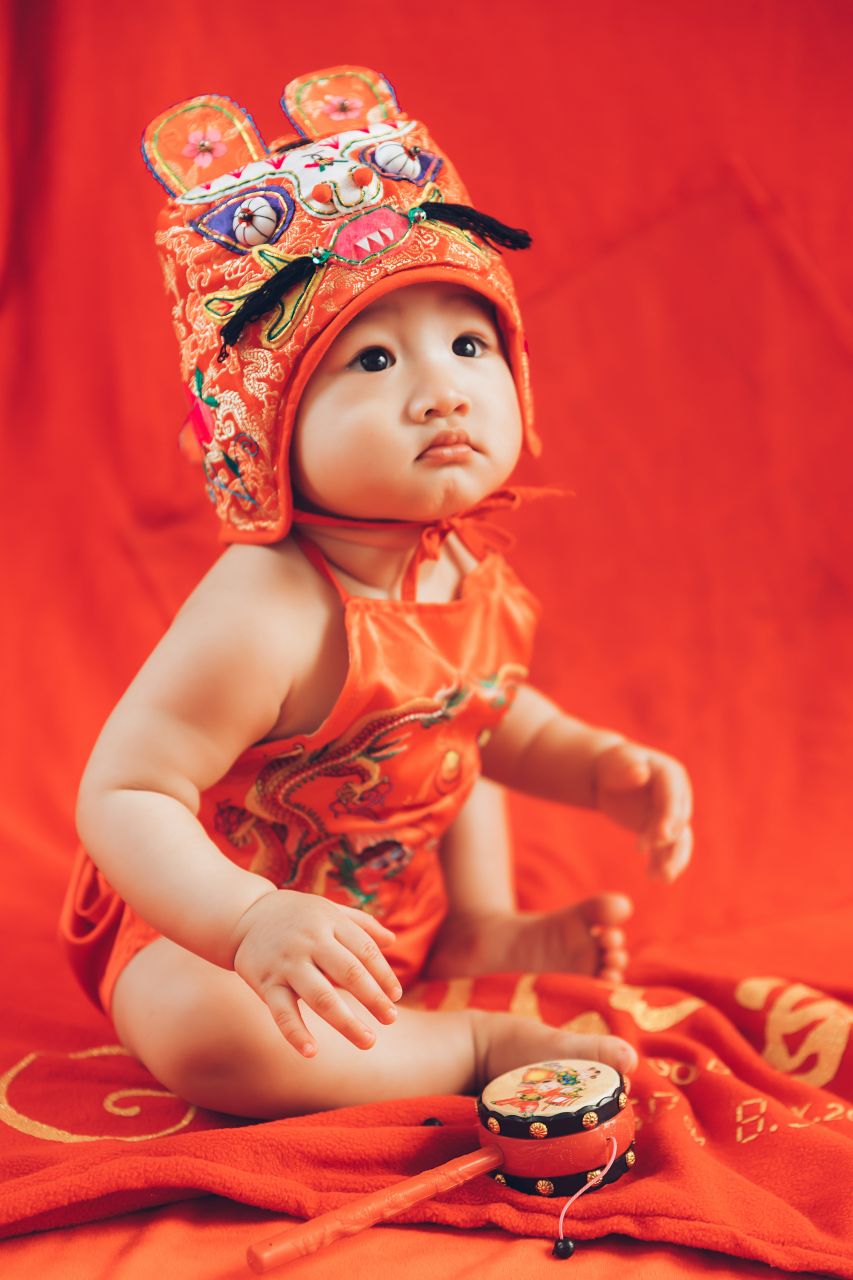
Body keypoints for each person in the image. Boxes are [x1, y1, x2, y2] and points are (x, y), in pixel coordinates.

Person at [65, 66, 692, 1120]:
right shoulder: (262, 609)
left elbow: (495, 713)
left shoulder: (462, 564)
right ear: (266, 425)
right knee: (209, 1037)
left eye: (467, 343)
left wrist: (593, 765)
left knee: (452, 716)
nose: (441, 389)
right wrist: (246, 921)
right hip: (222, 925)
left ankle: (477, 927)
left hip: (395, 903)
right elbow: (123, 795)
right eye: (369, 360)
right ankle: (466, 1041)